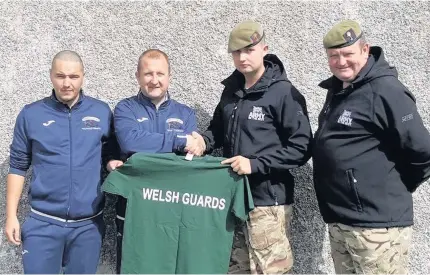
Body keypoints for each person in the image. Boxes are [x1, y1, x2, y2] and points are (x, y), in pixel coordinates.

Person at [187, 20, 312, 274]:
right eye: (237, 52)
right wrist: (204, 141)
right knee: (236, 270)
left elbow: (302, 147)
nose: (243, 57)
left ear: (264, 49)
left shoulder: (284, 93)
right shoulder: (232, 91)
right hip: (234, 200)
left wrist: (254, 165)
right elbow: (218, 130)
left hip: (268, 203)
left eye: (249, 50)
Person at [312, 20, 430, 274]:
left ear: (365, 50)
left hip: (377, 228)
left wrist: (391, 187)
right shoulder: (338, 90)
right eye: (333, 56)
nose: (341, 61)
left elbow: (423, 151)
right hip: (343, 221)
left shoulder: (386, 91)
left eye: (347, 54)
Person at [4, 50, 122, 274]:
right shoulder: (31, 114)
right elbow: (18, 166)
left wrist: (111, 163)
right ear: (51, 76)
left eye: (73, 77)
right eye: (60, 76)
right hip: (43, 223)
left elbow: (109, 155)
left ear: (83, 76)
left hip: (88, 225)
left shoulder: (101, 112)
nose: (67, 83)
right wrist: (11, 216)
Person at [113, 48, 198, 274]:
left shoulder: (185, 114)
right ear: (138, 76)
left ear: (169, 76)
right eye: (148, 74)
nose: (154, 80)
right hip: (134, 208)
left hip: (172, 209)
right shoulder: (125, 108)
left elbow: (189, 157)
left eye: (160, 74)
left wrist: (156, 144)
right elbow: (130, 142)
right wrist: (178, 141)